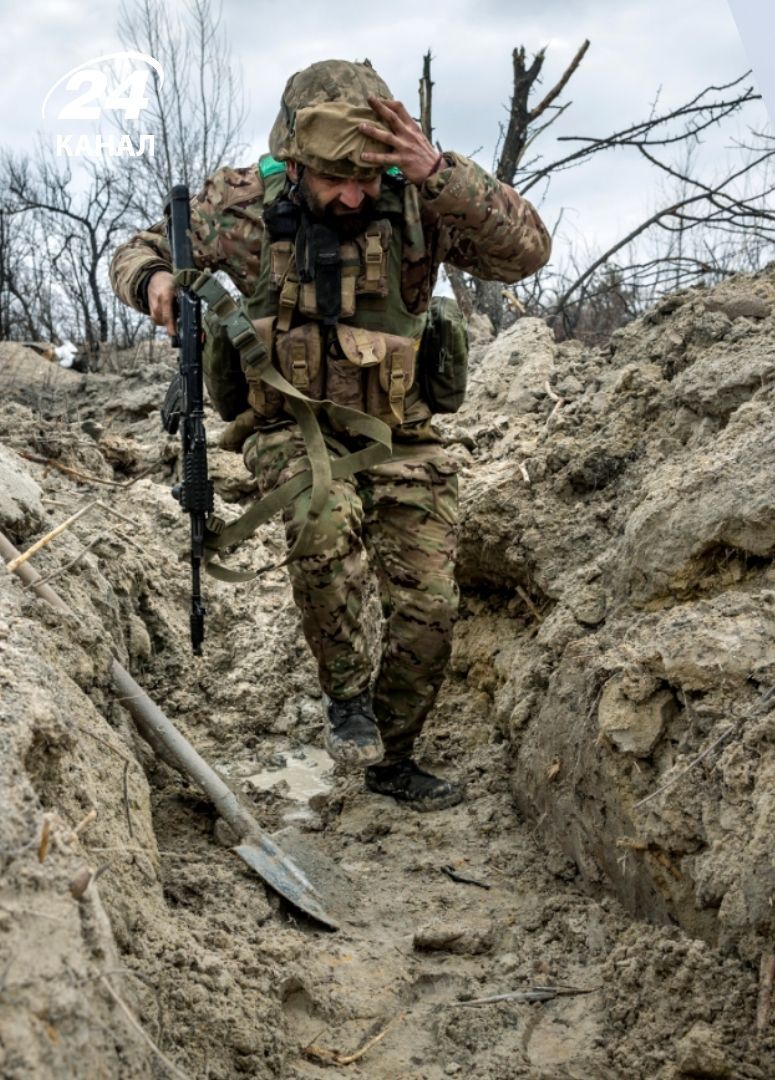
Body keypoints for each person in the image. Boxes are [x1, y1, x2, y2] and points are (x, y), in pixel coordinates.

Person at [110, 60, 550, 809]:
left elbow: (526, 251)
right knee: (323, 514)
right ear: (297, 161)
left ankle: (394, 751)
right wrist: (152, 280)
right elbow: (135, 251)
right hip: (289, 424)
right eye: (334, 179)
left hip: (400, 434)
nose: (354, 195)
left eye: (367, 178)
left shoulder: (420, 198)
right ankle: (346, 699)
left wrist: (441, 173)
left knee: (431, 604)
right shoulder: (243, 209)